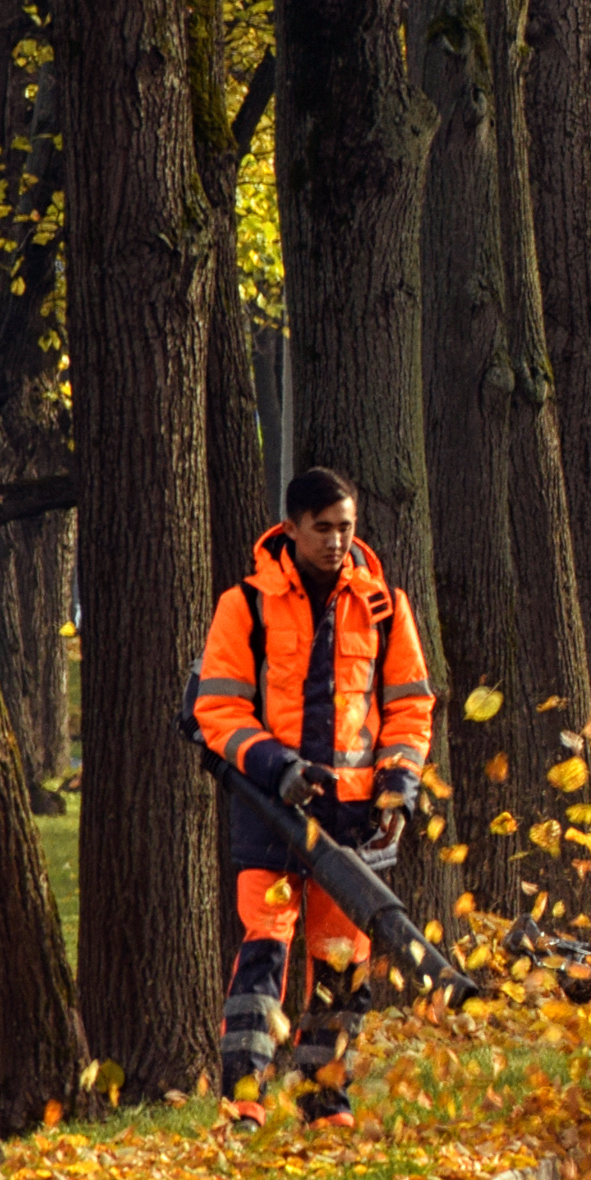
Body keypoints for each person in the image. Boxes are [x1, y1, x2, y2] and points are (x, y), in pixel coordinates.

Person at [189, 467, 437, 1129]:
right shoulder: (245, 605)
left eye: (345, 528)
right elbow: (217, 709)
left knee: (340, 964)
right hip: (269, 812)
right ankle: (244, 1098)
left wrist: (398, 787)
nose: (335, 541)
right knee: (264, 950)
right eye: (322, 528)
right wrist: (279, 767)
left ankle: (324, 1102)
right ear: (292, 528)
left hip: (353, 822)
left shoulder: (385, 606)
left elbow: (410, 708)